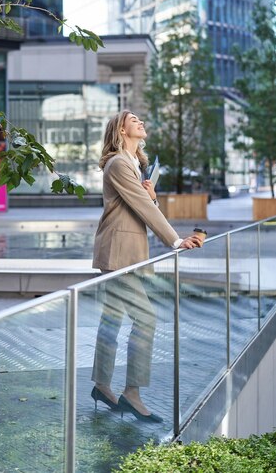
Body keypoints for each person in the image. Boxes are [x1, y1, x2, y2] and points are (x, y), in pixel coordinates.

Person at [91, 110, 202, 423]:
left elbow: (141, 206)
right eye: (134, 119)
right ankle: (132, 392)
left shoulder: (133, 165)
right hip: (117, 255)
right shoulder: (118, 164)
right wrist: (175, 240)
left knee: (112, 319)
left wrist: (151, 197)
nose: (141, 122)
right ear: (121, 130)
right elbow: (142, 208)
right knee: (147, 318)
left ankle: (101, 385)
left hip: (125, 253)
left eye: (142, 119)